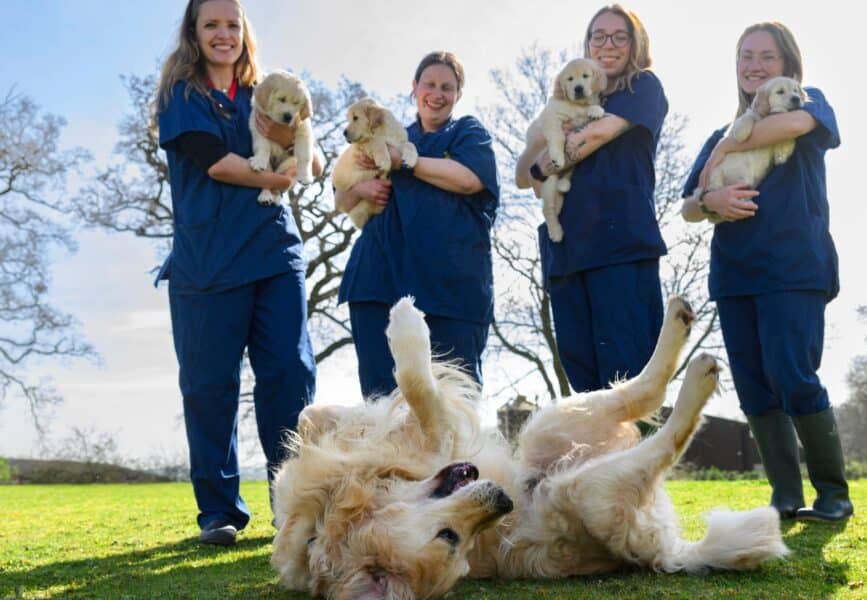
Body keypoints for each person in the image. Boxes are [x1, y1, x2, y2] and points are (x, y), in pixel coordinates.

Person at [154, 0, 321, 545]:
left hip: (274, 256)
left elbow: (308, 158)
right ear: (194, 34)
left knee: (289, 377)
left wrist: (307, 147)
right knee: (209, 388)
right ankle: (219, 513)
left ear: (244, 32)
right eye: (212, 25)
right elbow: (217, 163)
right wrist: (277, 180)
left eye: (233, 24)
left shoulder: (265, 95)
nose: (224, 35)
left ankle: (293, 504)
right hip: (207, 264)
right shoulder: (184, 95)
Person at [680, 22, 853, 521]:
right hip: (736, 275)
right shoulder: (720, 134)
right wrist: (711, 198)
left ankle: (834, 495)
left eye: (766, 57)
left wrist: (727, 149)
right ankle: (785, 497)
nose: (754, 66)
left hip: (795, 267)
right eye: (745, 57)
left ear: (788, 67)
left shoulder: (806, 102)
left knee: (791, 373)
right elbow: (689, 206)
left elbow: (794, 127)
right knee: (755, 385)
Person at [516, 5, 668, 396]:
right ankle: (596, 459)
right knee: (584, 389)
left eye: (620, 36)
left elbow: (593, 137)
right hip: (567, 251)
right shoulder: (564, 100)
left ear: (636, 44)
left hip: (620, 246)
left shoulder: (642, 88)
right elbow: (521, 175)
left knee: (628, 382)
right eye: (598, 36)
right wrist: (539, 155)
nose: (608, 44)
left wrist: (542, 166)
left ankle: (638, 457)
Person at [336, 51, 500, 399]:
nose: (437, 94)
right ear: (414, 88)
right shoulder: (384, 134)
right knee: (383, 405)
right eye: (429, 84)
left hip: (450, 291)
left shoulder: (468, 133)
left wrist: (403, 162)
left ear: (458, 94)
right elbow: (340, 199)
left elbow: (470, 180)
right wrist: (360, 189)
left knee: (453, 405)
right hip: (378, 285)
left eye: (447, 87)